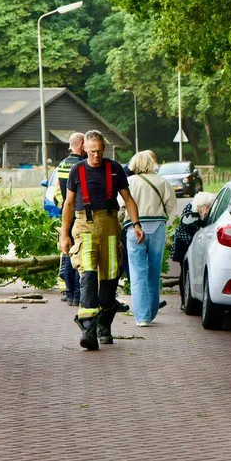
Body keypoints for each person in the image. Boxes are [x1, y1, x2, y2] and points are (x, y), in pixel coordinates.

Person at [59, 130, 144, 350]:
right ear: (84, 149)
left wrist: (136, 224)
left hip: (110, 228)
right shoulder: (77, 170)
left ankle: (104, 324)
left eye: (99, 151)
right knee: (87, 276)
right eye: (92, 151)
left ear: (104, 149)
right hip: (84, 228)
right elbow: (68, 204)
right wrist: (64, 234)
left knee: (109, 281)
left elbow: (128, 199)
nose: (96, 155)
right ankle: (88, 329)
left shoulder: (114, 169)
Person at [124, 151, 177, 326]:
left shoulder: (130, 182)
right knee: (154, 271)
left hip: (134, 228)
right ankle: (152, 311)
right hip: (157, 228)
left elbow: (121, 204)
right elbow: (171, 206)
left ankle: (142, 317)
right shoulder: (162, 182)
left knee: (137, 273)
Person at [54, 132, 86, 307]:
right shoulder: (81, 165)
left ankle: (69, 293)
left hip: (66, 213)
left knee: (67, 253)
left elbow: (57, 193)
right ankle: (78, 294)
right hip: (79, 213)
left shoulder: (62, 164)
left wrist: (62, 207)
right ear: (81, 143)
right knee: (79, 253)